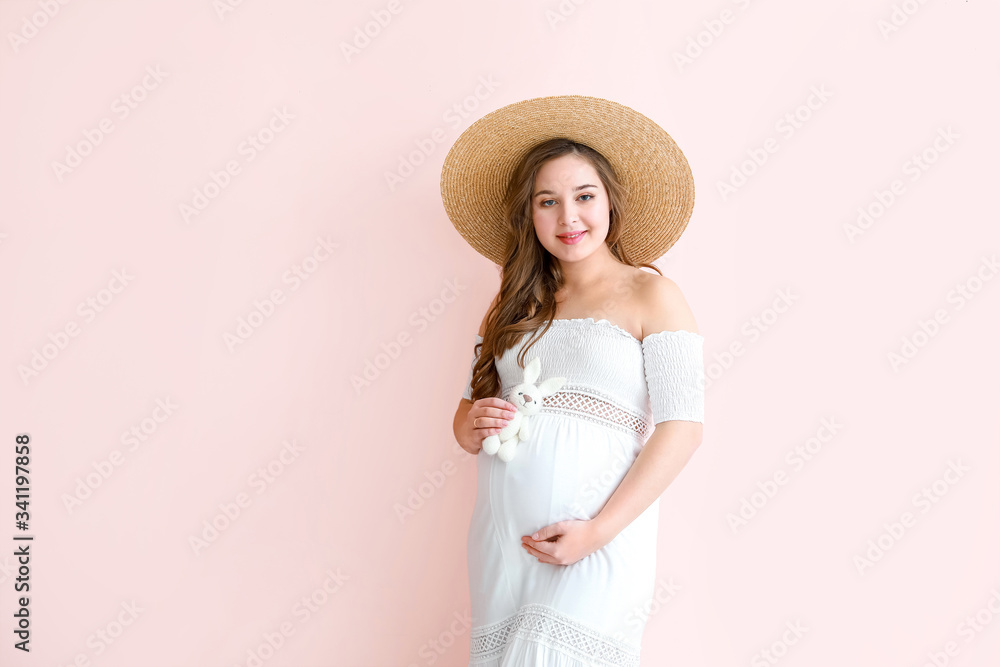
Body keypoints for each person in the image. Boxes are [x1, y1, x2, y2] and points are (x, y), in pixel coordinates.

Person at [441, 95, 705, 666]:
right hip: (503, 545)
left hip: (596, 539)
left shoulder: (651, 294)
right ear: (528, 215)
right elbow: (464, 425)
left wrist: (598, 531)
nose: (569, 218)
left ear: (610, 202)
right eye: (547, 201)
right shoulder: (512, 306)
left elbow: (683, 426)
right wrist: (475, 420)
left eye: (584, 196)